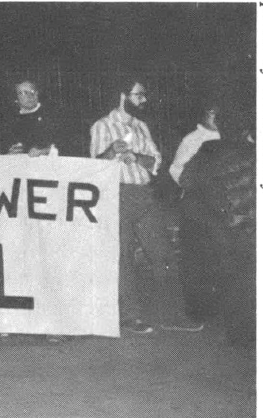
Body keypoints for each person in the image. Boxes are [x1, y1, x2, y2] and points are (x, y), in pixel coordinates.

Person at [89, 75, 187, 334]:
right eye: (138, 95)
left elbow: (155, 162)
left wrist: (136, 156)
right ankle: (130, 317)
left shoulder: (142, 127)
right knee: (123, 257)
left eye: (143, 95)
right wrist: (111, 152)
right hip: (116, 195)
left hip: (144, 194)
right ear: (123, 96)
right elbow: (94, 168)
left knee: (163, 254)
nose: (144, 99)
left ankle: (172, 315)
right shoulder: (101, 126)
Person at [178, 106, 253, 340]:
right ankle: (243, 330)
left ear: (220, 126)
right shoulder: (253, 151)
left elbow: (185, 178)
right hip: (249, 222)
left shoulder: (209, 149)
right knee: (244, 276)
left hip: (219, 222)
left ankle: (209, 316)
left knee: (218, 270)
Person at [3, 79, 78, 157]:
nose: (30, 96)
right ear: (16, 99)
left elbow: (70, 146)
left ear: (37, 94)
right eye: (23, 93)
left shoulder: (54, 115)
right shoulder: (10, 121)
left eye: (32, 91)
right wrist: (9, 154)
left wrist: (44, 151)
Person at [169, 102, 221, 185]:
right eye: (212, 112)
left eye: (219, 113)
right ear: (204, 114)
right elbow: (176, 169)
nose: (216, 116)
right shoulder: (192, 139)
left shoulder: (233, 136)